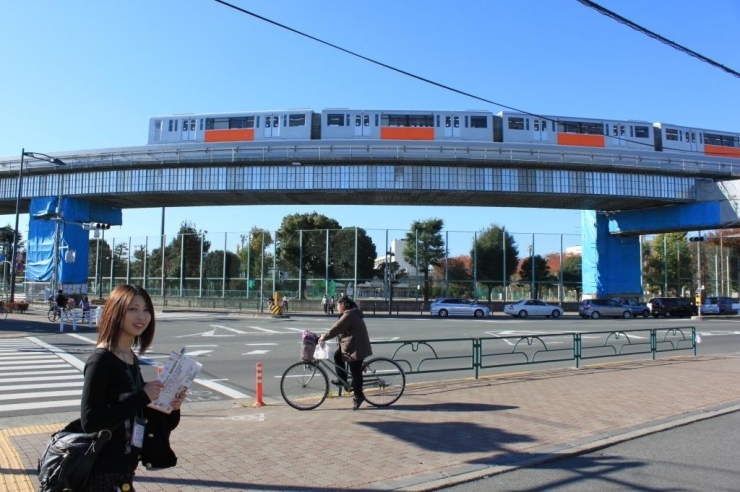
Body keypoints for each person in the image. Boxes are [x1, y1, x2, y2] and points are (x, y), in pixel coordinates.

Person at [80, 284, 186, 491]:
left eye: (146, 309)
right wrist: (142, 396)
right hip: (101, 472)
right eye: (133, 309)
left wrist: (170, 406)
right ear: (116, 311)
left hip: (124, 469)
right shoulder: (101, 360)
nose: (142, 316)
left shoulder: (130, 358)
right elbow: (90, 421)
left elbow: (143, 417)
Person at [318, 296, 372, 410]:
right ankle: (342, 379)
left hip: (356, 347)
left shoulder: (349, 315)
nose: (337, 307)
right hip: (352, 345)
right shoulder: (350, 313)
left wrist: (324, 337)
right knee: (338, 356)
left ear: (344, 305)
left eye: (338, 305)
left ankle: (359, 396)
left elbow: (337, 328)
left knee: (355, 372)